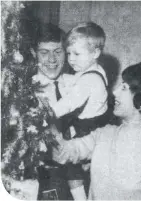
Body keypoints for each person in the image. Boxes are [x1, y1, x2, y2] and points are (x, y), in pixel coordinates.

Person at [51, 60, 141, 200]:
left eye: (124, 88)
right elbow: (63, 153)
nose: (114, 91)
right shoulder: (105, 134)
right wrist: (48, 122)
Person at [42, 22, 109, 200]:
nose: (71, 59)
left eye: (77, 54)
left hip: (87, 127)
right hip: (95, 125)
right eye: (69, 53)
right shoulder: (96, 70)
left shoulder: (89, 80)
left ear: (95, 53)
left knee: (72, 168)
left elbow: (69, 103)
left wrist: (46, 113)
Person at [30, 22, 72, 200]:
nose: (52, 60)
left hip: (78, 170)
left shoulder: (77, 84)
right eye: (44, 53)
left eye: (58, 51)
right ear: (33, 54)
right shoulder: (27, 90)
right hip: (45, 174)